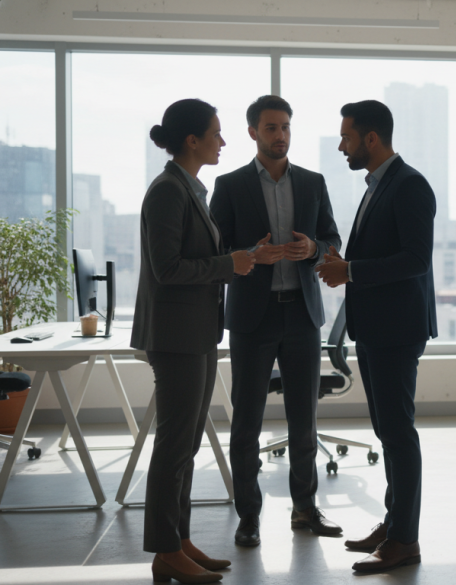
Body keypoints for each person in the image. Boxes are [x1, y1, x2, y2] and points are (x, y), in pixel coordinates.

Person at [132, 98, 257, 584]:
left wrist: (241, 257)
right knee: (174, 446)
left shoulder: (188, 188)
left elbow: (192, 257)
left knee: (185, 446)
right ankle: (165, 550)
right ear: (192, 140)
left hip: (197, 332)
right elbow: (167, 268)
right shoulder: (168, 191)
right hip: (177, 337)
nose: (223, 141)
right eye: (216, 133)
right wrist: (229, 264)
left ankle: (178, 542)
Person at [209, 95, 343, 548]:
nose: (280, 135)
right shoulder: (229, 185)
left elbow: (331, 237)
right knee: (246, 422)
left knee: (304, 422)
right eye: (271, 127)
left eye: (285, 126)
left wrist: (315, 250)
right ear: (253, 132)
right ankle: (249, 515)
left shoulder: (312, 182)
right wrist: (251, 255)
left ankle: (305, 508)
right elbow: (215, 250)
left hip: (302, 313)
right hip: (253, 315)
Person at [315, 100, 438, 573]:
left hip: (396, 331)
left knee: (398, 434)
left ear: (371, 138)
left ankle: (405, 540)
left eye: (346, 137)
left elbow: (416, 260)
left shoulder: (409, 185)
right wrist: (343, 265)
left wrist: (351, 271)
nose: (342, 146)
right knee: (388, 433)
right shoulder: (377, 184)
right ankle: (393, 524)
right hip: (374, 329)